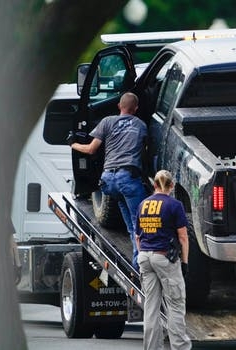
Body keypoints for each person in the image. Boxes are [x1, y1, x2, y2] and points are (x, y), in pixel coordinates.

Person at [68, 92, 147, 270]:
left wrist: (72, 143)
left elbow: (90, 149)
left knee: (130, 223)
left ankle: (136, 263)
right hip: (127, 179)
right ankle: (142, 265)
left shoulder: (107, 122)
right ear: (136, 109)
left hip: (108, 181)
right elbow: (145, 150)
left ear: (119, 106)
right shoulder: (141, 125)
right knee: (141, 223)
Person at [136, 170, 191, 350]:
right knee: (175, 304)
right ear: (172, 186)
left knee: (151, 307)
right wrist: (184, 262)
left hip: (144, 256)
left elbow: (137, 236)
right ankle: (180, 348)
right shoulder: (174, 205)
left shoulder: (143, 204)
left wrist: (144, 253)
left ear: (154, 185)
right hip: (165, 257)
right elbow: (183, 237)